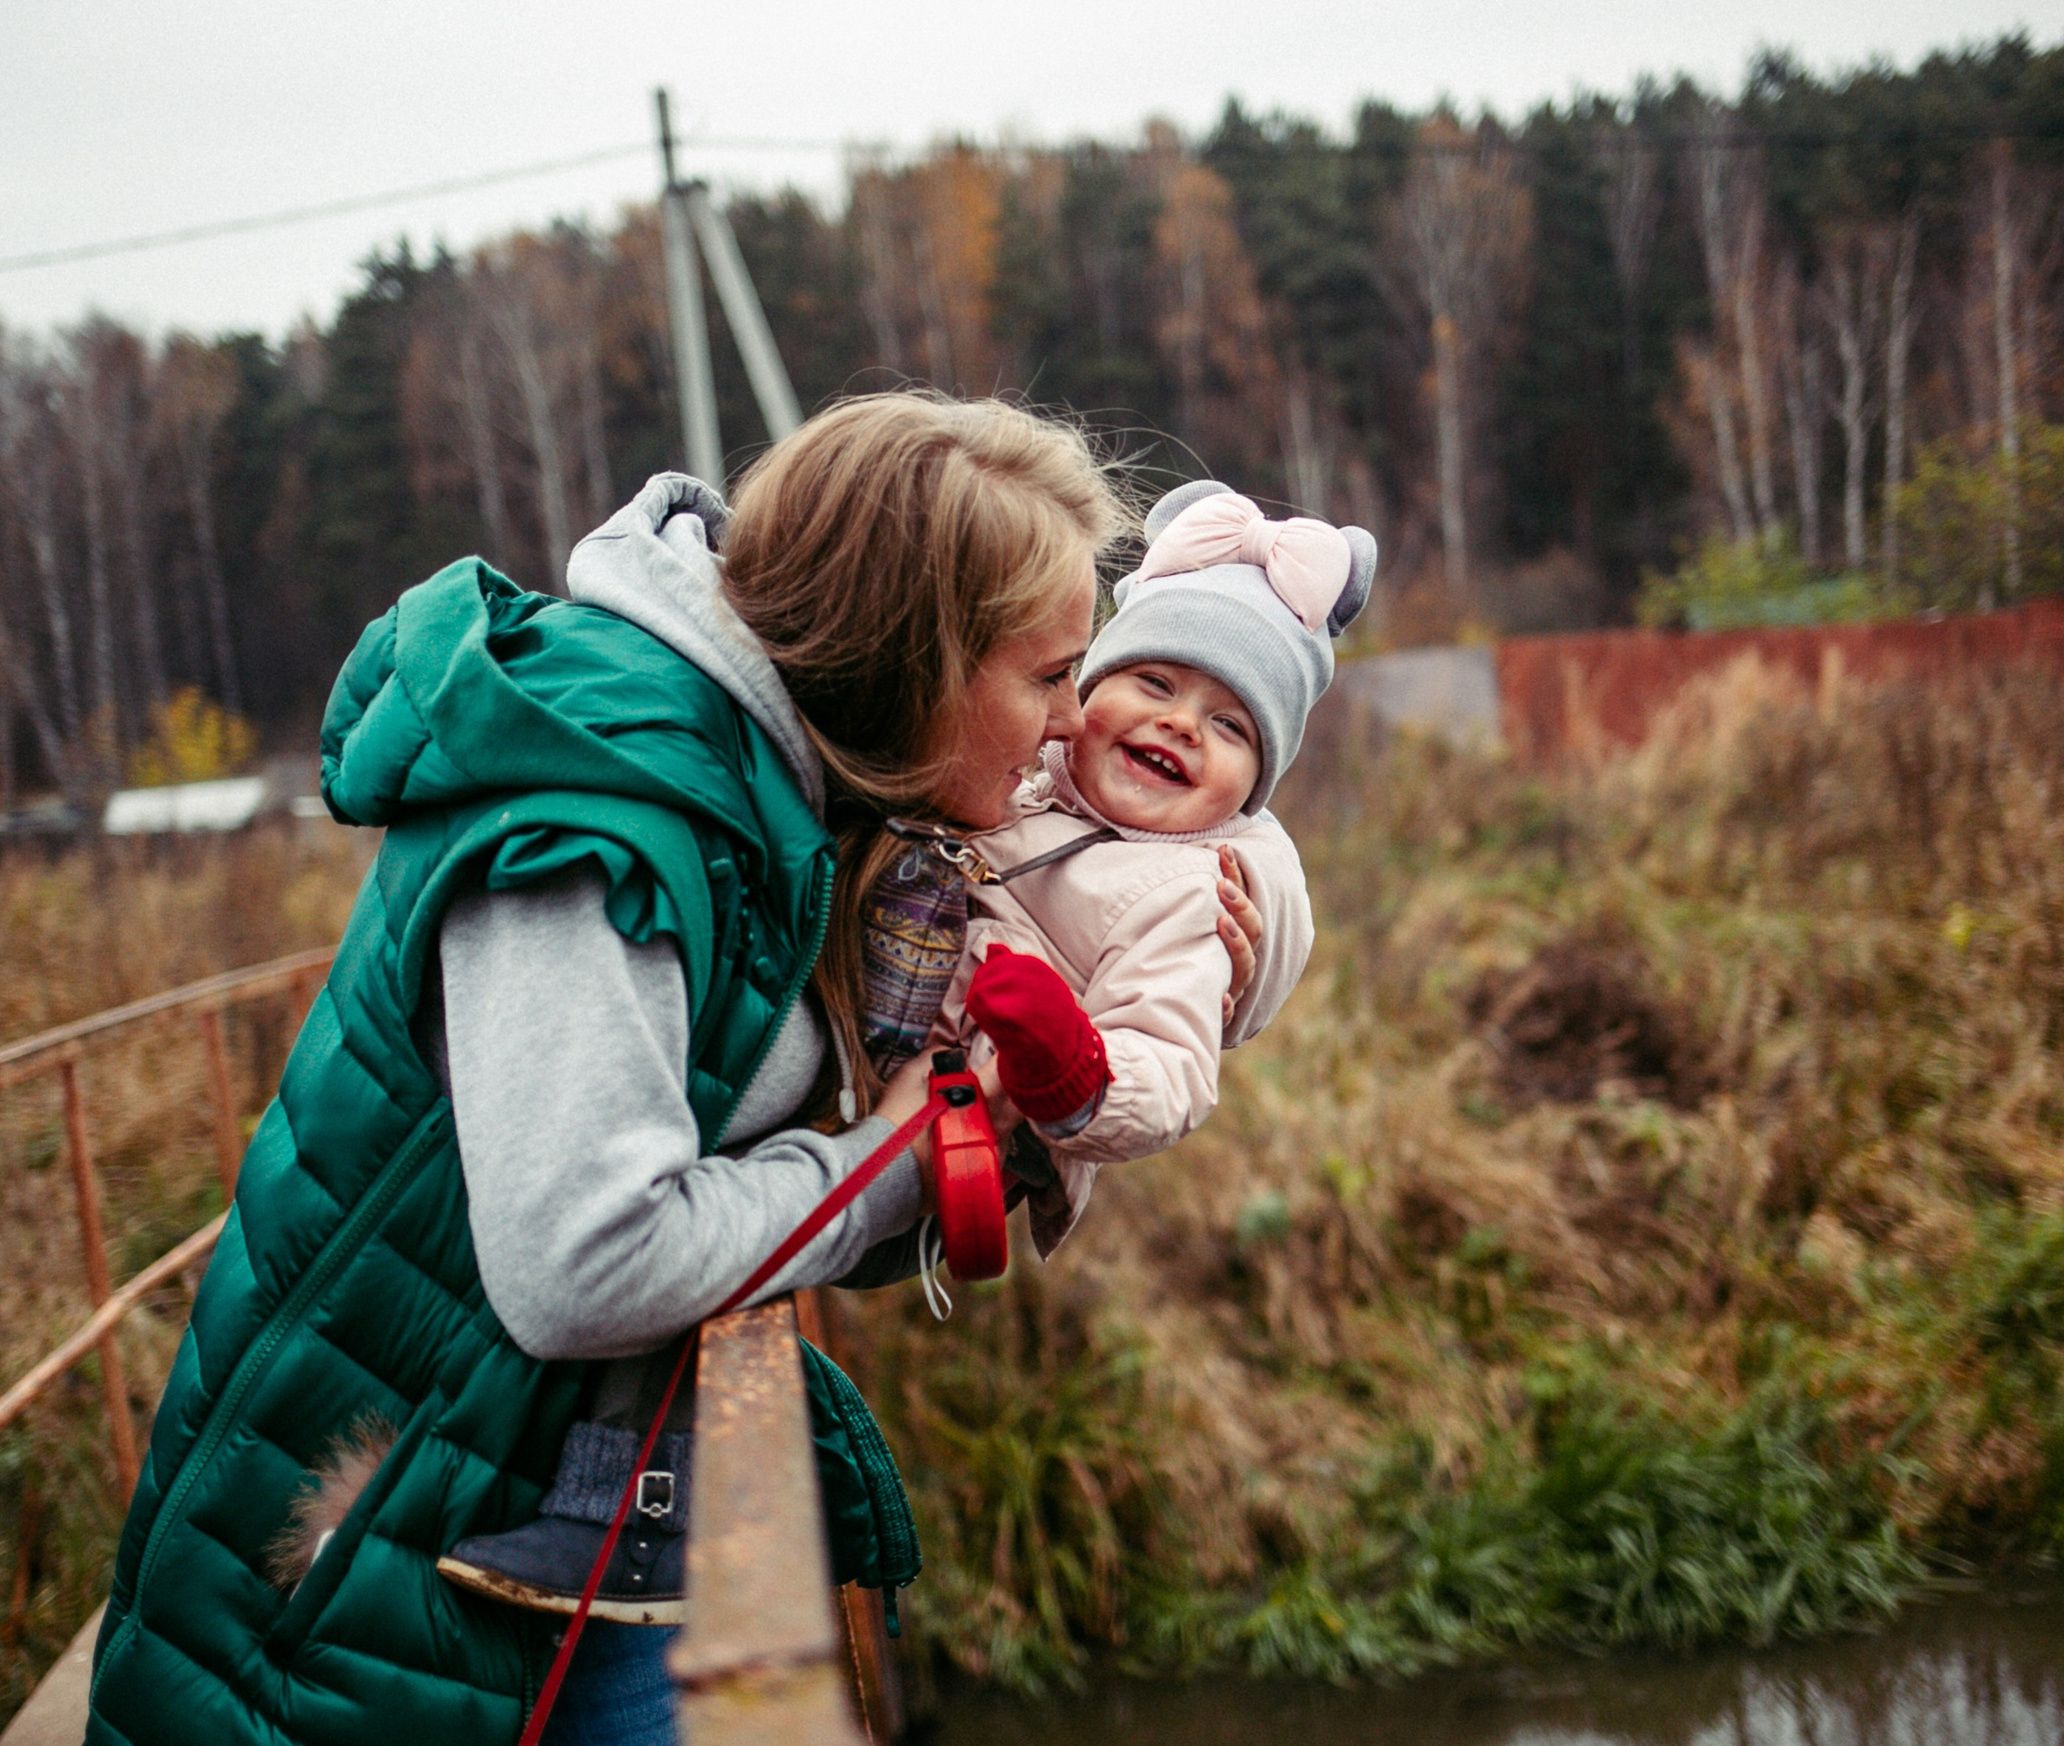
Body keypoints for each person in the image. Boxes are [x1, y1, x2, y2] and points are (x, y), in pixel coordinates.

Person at [84, 395, 1260, 1746]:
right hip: (349, 1571)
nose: (1067, 726)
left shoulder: (792, 795)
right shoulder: (604, 823)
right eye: (1047, 674)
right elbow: (591, 1260)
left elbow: (807, 1150)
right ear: (916, 662)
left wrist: (1153, 985)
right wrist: (887, 1154)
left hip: (519, 1506)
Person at [941, 478, 1373, 1260]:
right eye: (1155, 683)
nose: (1179, 724)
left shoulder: (1193, 895)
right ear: (1083, 688)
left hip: (980, 1106)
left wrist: (1074, 1070)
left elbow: (1169, 1059)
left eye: (1230, 724)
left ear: (1251, 792)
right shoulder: (1020, 761)